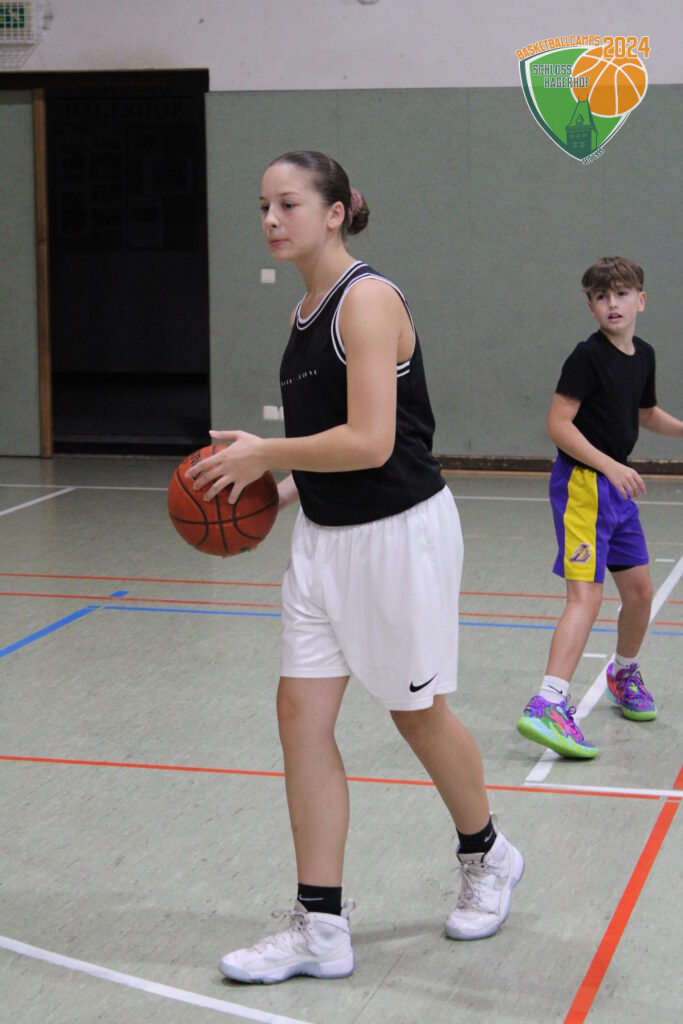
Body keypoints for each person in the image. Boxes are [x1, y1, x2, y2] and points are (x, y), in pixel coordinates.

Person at [187, 150, 523, 983]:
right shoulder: (304, 309)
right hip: (324, 539)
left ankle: (487, 854)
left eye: (288, 204)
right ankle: (320, 925)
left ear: (335, 212)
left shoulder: (365, 300)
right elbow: (337, 437)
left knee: (416, 715)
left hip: (397, 535)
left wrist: (266, 453)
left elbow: (373, 441)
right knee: (299, 716)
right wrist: (283, 489)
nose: (271, 220)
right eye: (262, 206)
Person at [517, 256, 683, 759]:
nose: (613, 304)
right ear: (590, 306)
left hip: (616, 490)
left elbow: (645, 413)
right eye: (602, 296)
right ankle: (548, 703)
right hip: (585, 486)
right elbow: (558, 425)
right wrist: (611, 466)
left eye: (622, 294)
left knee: (640, 593)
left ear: (641, 300)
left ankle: (623, 673)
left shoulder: (643, 355)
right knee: (585, 598)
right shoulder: (586, 358)